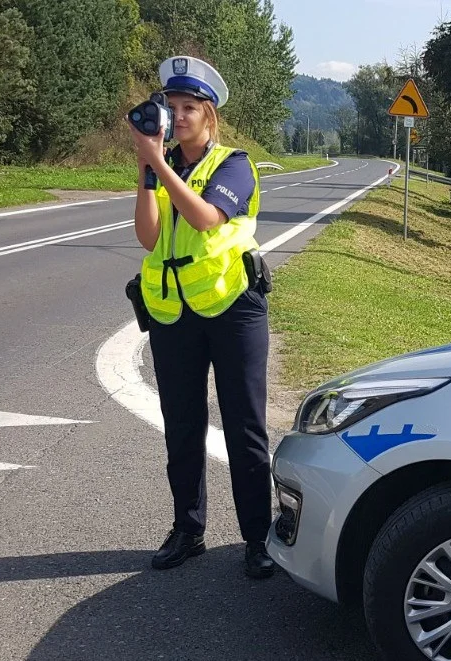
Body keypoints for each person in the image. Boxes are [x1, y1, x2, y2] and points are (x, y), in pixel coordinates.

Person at [127, 55, 275, 579]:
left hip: (234, 307)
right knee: (182, 427)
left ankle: (259, 539)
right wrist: (148, 172)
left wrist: (160, 167)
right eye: (171, 106)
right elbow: (148, 237)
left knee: (245, 427)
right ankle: (187, 530)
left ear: (209, 116)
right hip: (175, 313)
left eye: (189, 107)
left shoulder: (234, 164)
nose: (178, 115)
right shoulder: (158, 164)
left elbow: (207, 217)